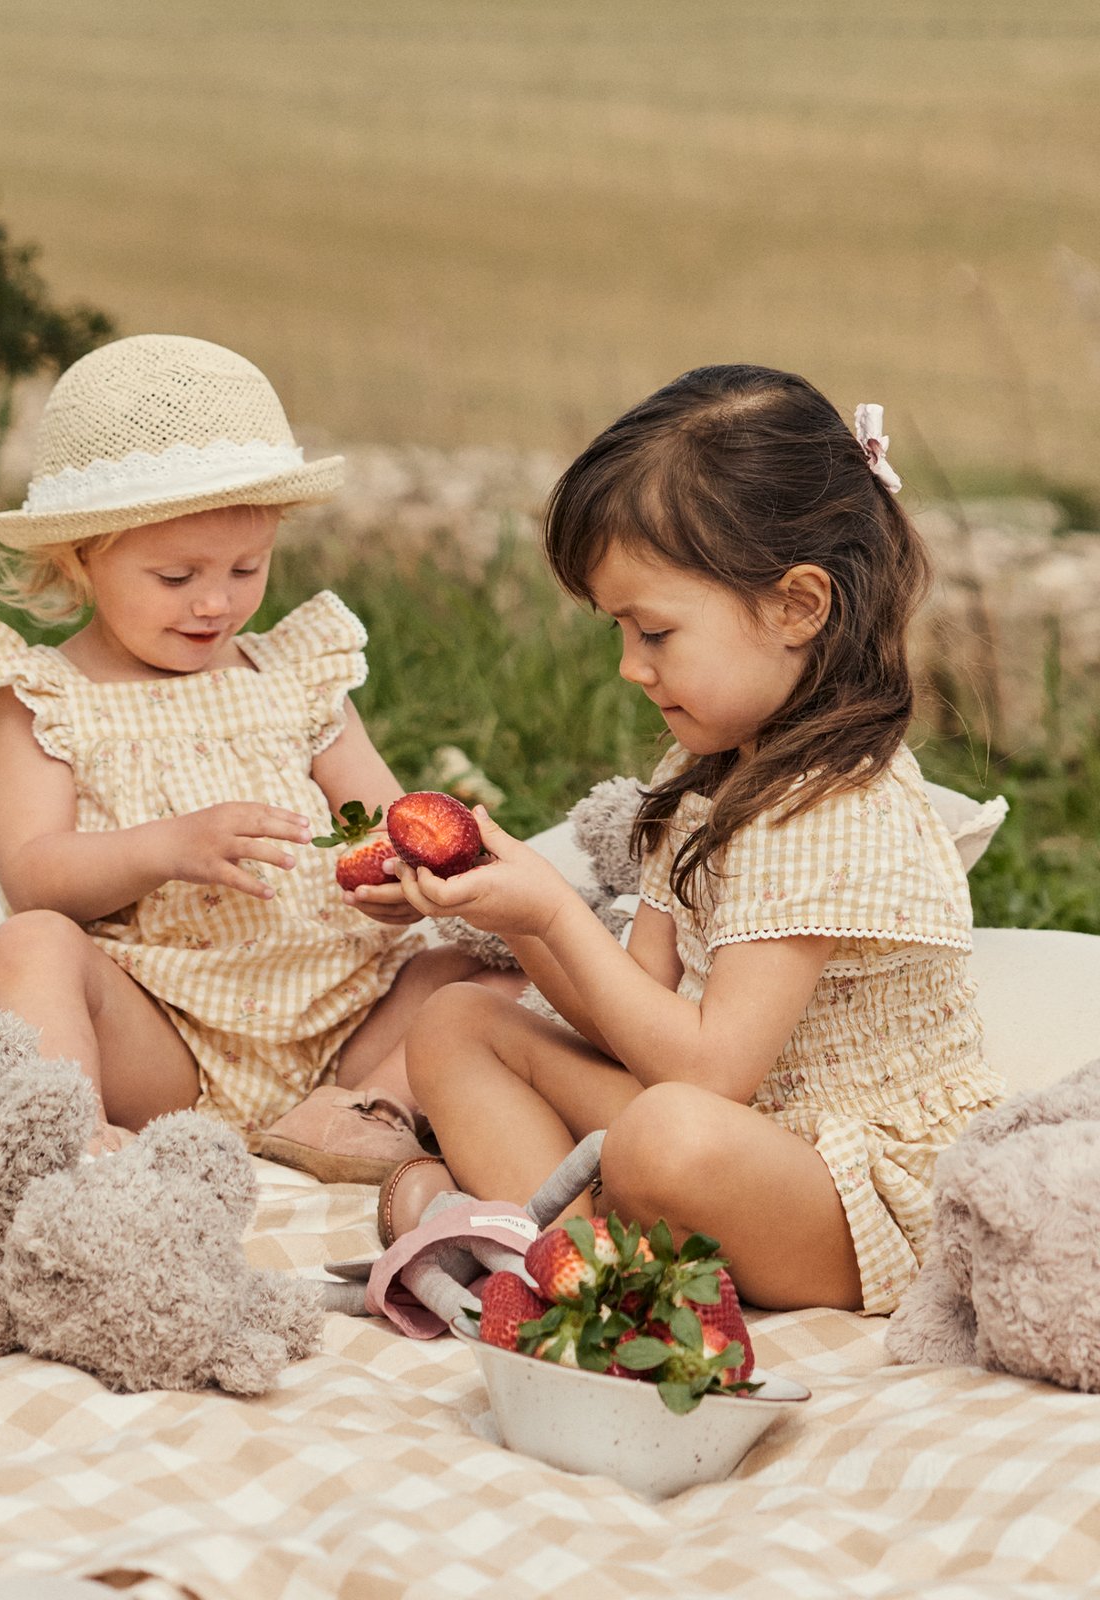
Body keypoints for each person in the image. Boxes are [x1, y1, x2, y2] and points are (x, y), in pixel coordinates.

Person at [383, 364, 1005, 1316]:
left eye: (656, 631)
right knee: (458, 1020)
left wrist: (557, 907)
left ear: (798, 607)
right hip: (731, 1133)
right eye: (620, 631)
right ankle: (573, 1262)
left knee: (664, 1136)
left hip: (849, 1192)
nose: (631, 667)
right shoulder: (704, 786)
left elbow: (708, 1072)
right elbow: (630, 1020)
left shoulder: (829, 806)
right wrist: (519, 917)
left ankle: (577, 1254)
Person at [0, 333, 521, 1177]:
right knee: (29, 948)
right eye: (176, 578)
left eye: (247, 567)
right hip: (168, 1041)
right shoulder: (46, 698)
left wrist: (395, 881)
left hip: (347, 1017)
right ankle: (73, 1130)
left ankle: (365, 1108)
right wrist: (166, 847)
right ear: (81, 557)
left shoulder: (297, 675)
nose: (216, 602)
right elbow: (32, 875)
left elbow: (373, 819)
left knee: (493, 970)